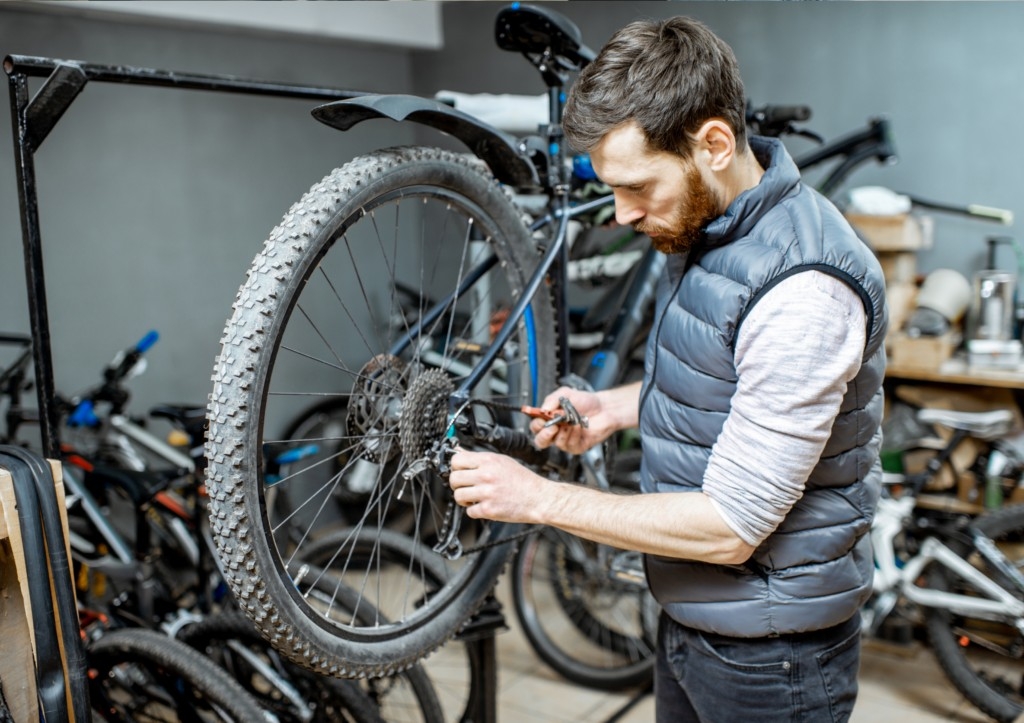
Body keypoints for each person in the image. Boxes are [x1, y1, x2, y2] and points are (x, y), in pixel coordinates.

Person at [449, 14, 887, 723]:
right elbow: (723, 376)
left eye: (637, 187)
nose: (622, 214)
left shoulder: (806, 290)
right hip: (694, 617)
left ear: (713, 142)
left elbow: (731, 525)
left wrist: (536, 500)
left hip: (770, 657)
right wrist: (618, 408)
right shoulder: (714, 221)